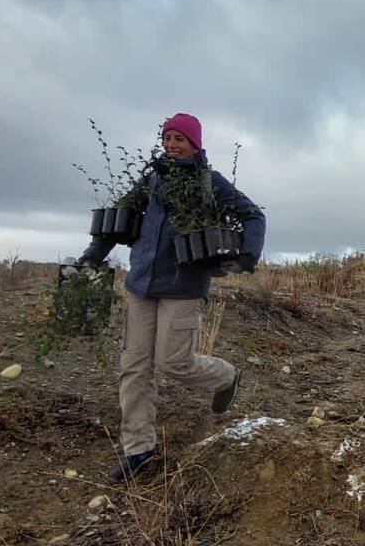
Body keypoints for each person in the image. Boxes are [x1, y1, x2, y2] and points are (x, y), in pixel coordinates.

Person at [79, 112, 266, 481]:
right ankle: (139, 450)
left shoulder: (210, 182)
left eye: (180, 139)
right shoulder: (152, 180)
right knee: (134, 367)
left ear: (195, 144)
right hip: (141, 284)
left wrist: (246, 256)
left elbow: (253, 215)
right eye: (167, 138)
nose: (172, 144)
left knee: (173, 363)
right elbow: (119, 216)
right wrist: (92, 256)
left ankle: (226, 376)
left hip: (183, 288)